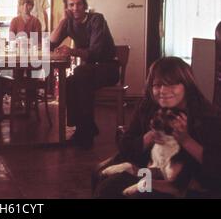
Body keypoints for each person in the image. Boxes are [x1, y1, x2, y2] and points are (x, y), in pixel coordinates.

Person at [93, 57, 221, 198]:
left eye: (172, 85)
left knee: (140, 195)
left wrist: (185, 140)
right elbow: (126, 146)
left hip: (187, 183)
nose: (163, 91)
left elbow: (214, 167)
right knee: (105, 186)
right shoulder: (148, 107)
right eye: (157, 85)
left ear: (187, 85)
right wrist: (150, 136)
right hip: (149, 169)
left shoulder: (206, 116)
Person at [50, 0, 119, 149]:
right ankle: (86, 128)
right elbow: (51, 44)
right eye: (71, 5)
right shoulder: (69, 23)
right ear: (67, 7)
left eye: (79, 4)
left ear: (85, 5)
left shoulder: (96, 20)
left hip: (108, 68)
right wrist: (62, 21)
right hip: (88, 73)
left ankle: (85, 130)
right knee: (69, 81)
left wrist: (72, 51)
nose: (75, 8)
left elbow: (96, 53)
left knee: (80, 74)